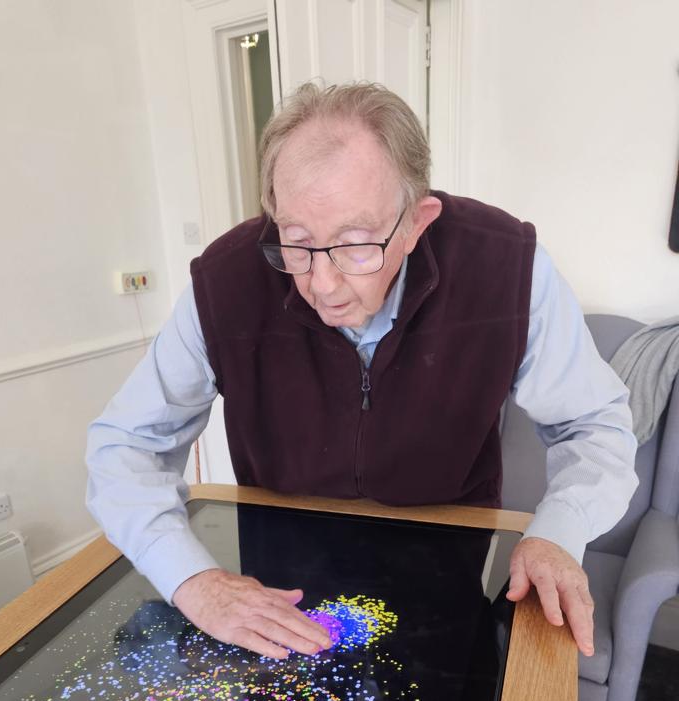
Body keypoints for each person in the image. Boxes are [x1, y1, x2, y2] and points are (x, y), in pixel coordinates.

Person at [86, 81, 638, 662]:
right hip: (283, 593)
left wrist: (558, 532)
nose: (322, 285)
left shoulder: (505, 263)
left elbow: (594, 425)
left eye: (355, 245)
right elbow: (124, 444)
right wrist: (190, 580)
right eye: (295, 243)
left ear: (417, 221)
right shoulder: (223, 282)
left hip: (442, 581)